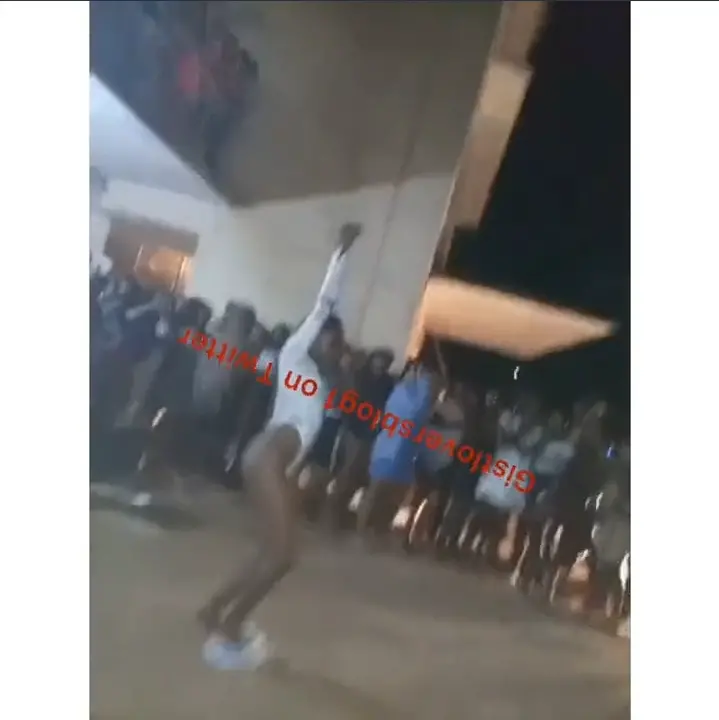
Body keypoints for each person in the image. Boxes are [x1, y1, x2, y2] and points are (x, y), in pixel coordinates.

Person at [197, 222, 362, 670]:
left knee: (273, 551)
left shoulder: (316, 384)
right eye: (333, 340)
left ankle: (214, 610)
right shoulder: (294, 355)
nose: (338, 348)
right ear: (319, 336)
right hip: (266, 459)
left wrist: (343, 367)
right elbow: (325, 304)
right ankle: (229, 627)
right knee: (282, 556)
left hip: (272, 462)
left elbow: (324, 416)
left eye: (340, 344)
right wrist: (342, 253)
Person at [356, 359, 440, 546]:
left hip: (400, 450)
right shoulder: (413, 395)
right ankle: (366, 530)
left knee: (389, 494)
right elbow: (417, 413)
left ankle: (373, 529)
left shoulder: (408, 391)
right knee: (379, 491)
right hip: (393, 448)